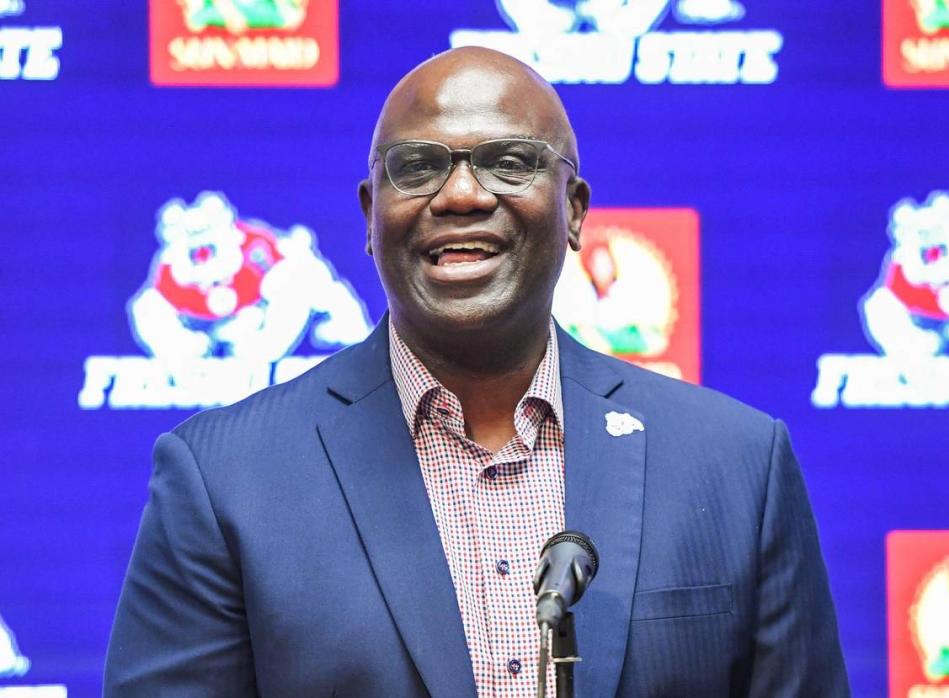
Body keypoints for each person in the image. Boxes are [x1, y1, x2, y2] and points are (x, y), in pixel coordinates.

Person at [104, 47, 849, 697]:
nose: (460, 194)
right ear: (370, 217)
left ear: (575, 210)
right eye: (418, 167)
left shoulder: (735, 467)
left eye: (510, 162)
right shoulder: (224, 479)